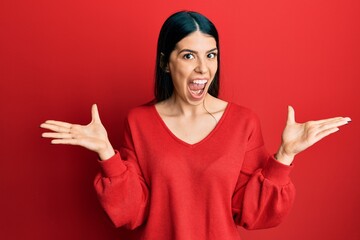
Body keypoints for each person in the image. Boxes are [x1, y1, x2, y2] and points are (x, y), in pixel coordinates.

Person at [40, 11, 351, 240]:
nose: (203, 68)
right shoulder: (139, 122)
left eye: (211, 55)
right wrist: (108, 155)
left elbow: (253, 215)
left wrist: (284, 156)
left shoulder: (244, 122)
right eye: (189, 55)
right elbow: (131, 213)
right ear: (165, 62)